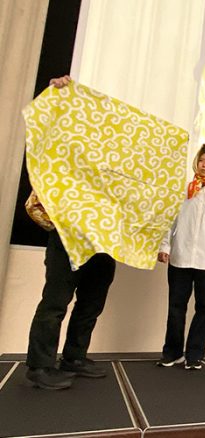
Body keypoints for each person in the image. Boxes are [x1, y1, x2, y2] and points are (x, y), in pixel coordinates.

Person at [25, 76, 116, 390]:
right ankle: (40, 366)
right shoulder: (67, 146)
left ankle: (74, 357)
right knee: (55, 302)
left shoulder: (116, 157)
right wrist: (57, 95)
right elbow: (44, 131)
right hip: (67, 237)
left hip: (102, 241)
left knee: (91, 302)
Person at [156, 144, 205, 370]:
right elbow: (170, 221)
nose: (204, 165)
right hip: (181, 257)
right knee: (176, 306)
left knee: (204, 307)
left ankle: (194, 355)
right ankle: (172, 352)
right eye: (201, 160)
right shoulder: (185, 190)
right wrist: (165, 246)